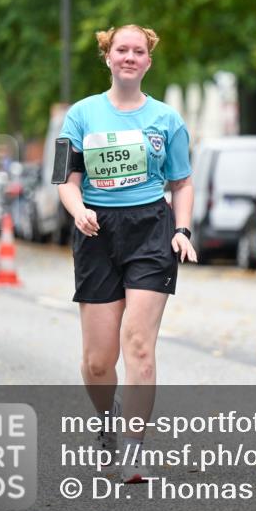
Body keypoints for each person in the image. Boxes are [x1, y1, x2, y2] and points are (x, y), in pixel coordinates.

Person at [56, 24, 197, 484]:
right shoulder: (80, 115)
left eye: (139, 51)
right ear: (109, 56)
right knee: (99, 361)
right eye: (122, 50)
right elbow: (65, 180)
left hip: (150, 232)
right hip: (96, 233)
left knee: (138, 344)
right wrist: (78, 212)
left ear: (148, 61)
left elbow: (182, 182)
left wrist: (182, 229)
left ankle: (134, 451)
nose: (130, 57)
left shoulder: (168, 120)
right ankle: (106, 424)